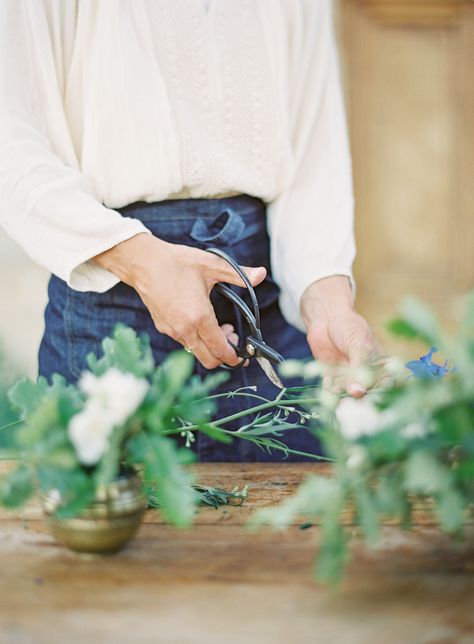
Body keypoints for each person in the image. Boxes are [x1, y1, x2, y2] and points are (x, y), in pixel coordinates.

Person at [0, 0, 382, 461]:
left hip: (262, 308)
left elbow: (313, 160)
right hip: (110, 300)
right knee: (114, 521)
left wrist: (329, 306)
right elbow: (11, 140)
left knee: (285, 523)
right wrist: (142, 262)